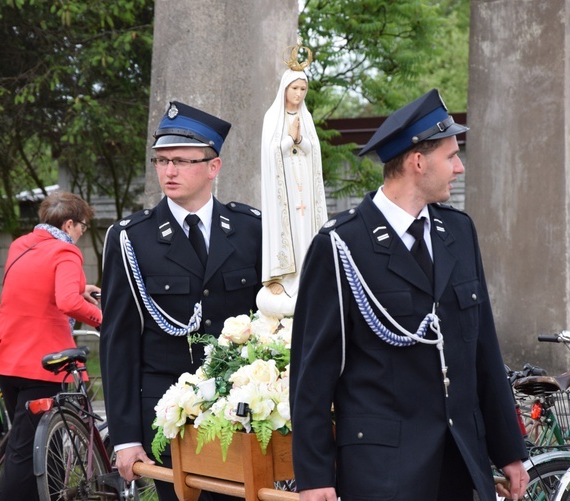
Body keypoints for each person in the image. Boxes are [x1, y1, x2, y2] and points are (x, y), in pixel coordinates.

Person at [288, 89, 529, 501]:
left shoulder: (458, 232)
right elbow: (312, 374)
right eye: (451, 157)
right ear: (418, 162)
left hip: (460, 462)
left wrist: (509, 451)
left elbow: (483, 349)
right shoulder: (342, 244)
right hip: (382, 470)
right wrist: (314, 476)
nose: (460, 168)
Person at [99, 101, 261, 501]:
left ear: (213, 167)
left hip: (239, 409)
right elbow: (118, 344)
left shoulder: (249, 229)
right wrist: (124, 438)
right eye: (162, 160)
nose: (169, 171)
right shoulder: (131, 239)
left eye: (182, 161)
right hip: (168, 415)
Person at [0, 191, 102, 501]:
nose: (81, 233)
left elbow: (35, 286)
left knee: (38, 447)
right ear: (68, 225)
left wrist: (80, 286)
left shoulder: (20, 246)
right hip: (43, 365)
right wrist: (103, 320)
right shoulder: (66, 253)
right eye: (82, 227)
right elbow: (66, 301)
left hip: (8, 361)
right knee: (25, 454)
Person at [257, 50, 327, 318]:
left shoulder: (306, 118)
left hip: (305, 192)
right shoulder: (271, 117)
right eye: (294, 88)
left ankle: (308, 275)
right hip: (282, 192)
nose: (299, 94)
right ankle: (284, 278)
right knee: (287, 231)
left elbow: (314, 151)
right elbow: (270, 155)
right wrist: (289, 139)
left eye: (303, 88)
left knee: (306, 230)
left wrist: (299, 140)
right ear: (284, 89)